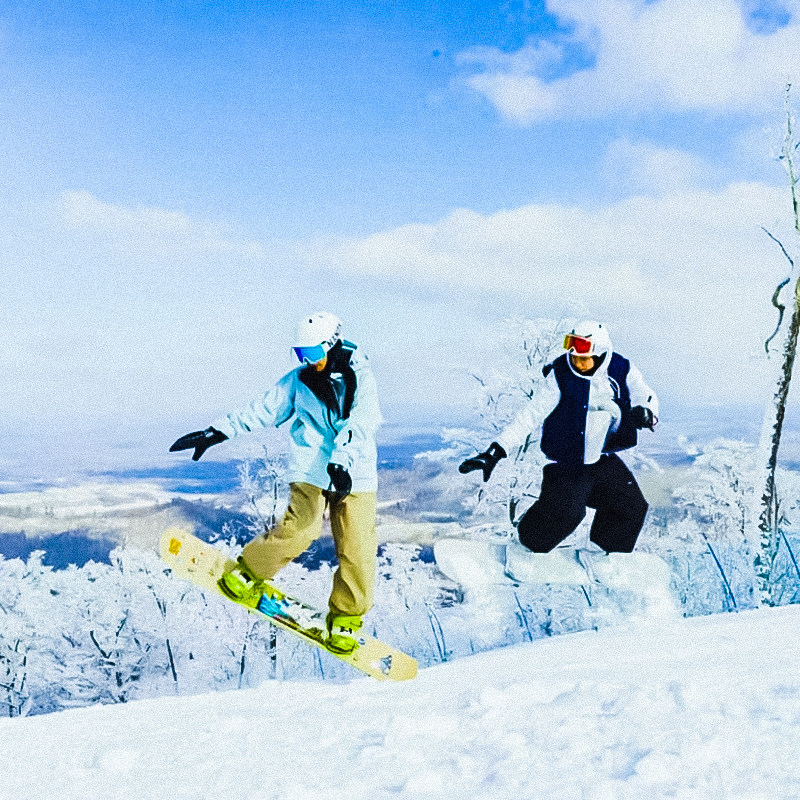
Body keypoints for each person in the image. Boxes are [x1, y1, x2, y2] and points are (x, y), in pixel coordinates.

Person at [169, 312, 382, 653]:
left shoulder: (361, 377)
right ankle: (249, 569)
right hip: (312, 464)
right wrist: (218, 432)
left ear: (331, 345)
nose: (306, 362)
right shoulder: (300, 381)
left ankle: (346, 617)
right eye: (300, 355)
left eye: (312, 354)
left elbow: (363, 420)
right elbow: (263, 408)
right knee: (302, 529)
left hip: (355, 468)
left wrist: (343, 460)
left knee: (358, 548)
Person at [459, 321, 659, 555]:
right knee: (566, 512)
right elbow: (531, 415)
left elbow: (644, 393)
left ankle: (604, 554)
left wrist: (646, 410)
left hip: (602, 459)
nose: (577, 363)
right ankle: (525, 548)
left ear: (602, 355)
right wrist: (496, 450)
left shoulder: (621, 368)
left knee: (630, 506)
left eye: (584, 359)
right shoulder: (560, 375)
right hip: (568, 463)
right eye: (574, 358)